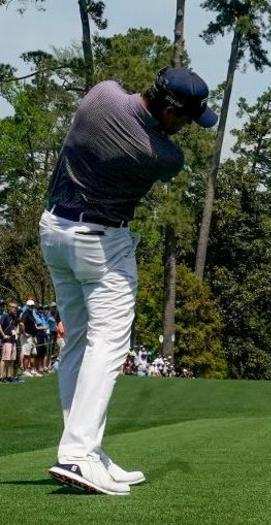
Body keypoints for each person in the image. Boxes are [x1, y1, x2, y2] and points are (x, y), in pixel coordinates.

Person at [39, 67, 218, 495]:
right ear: (170, 111)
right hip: (101, 243)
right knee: (109, 343)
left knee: (79, 343)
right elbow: (161, 146)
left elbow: (119, 94)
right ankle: (79, 454)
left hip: (53, 230)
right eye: (187, 119)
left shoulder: (101, 95)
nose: (188, 128)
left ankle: (83, 448)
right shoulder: (162, 156)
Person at [0, 302, 19, 382]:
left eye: (16, 308)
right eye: (13, 307)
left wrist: (17, 333)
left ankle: (9, 376)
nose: (15, 309)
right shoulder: (5, 316)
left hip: (13, 340)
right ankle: (1, 377)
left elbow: (18, 325)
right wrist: (4, 335)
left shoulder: (15, 317)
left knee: (12, 359)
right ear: (9, 308)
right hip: (6, 340)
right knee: (5, 359)